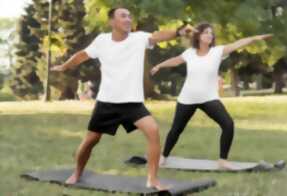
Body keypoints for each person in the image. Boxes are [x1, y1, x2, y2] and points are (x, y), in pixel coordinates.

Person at [51, 7, 193, 190]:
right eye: (123, 16)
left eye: (129, 16)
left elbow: (158, 36)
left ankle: (152, 179)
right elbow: (81, 55)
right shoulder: (102, 41)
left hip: (132, 103)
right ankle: (77, 172)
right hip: (107, 103)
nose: (128, 19)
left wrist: (178, 32)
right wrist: (64, 66)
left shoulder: (139, 38)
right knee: (90, 141)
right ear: (112, 22)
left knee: (153, 131)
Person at [150, 22, 272, 170]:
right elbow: (175, 60)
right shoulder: (189, 53)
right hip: (187, 98)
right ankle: (163, 156)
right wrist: (159, 65)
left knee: (228, 124)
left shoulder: (218, 52)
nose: (209, 35)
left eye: (211, 33)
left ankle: (223, 160)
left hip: (209, 98)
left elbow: (237, 44)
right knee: (176, 130)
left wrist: (255, 38)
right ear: (198, 36)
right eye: (206, 32)